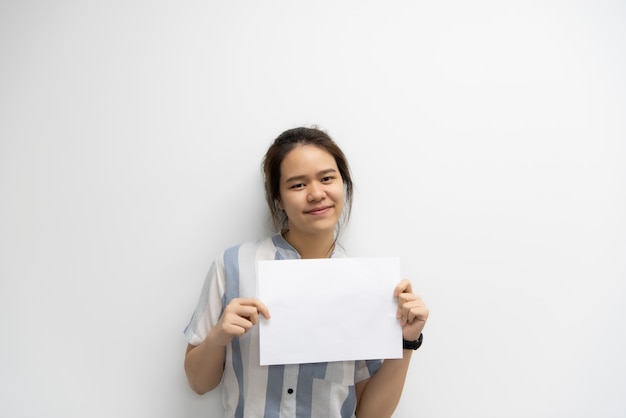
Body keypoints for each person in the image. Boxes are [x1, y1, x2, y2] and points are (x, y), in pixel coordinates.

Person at [183, 126, 429, 418]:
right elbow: (198, 384)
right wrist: (218, 337)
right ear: (278, 199)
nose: (316, 194)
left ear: (344, 185)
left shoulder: (369, 287)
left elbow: (370, 414)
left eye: (327, 179)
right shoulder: (233, 264)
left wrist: (407, 341)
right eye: (298, 185)